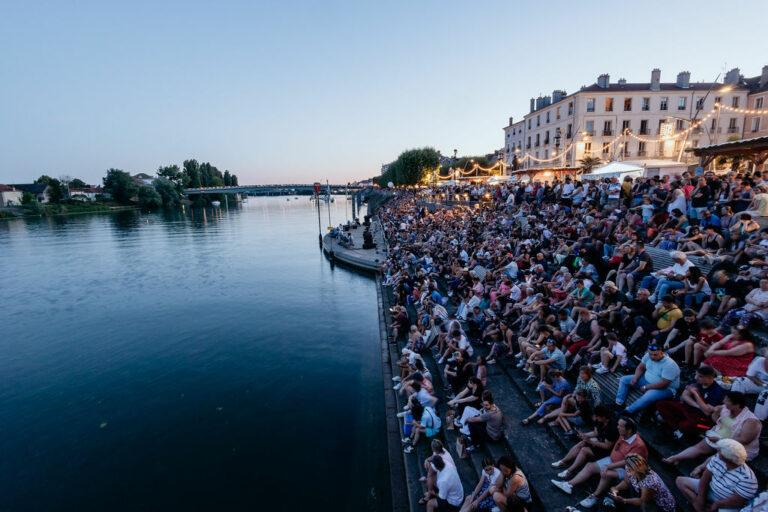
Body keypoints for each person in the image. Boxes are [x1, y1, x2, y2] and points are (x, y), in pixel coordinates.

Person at [551, 416, 648, 509]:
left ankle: (595, 496)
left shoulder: (638, 445)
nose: (617, 427)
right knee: (589, 466)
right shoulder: (624, 434)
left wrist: (609, 466)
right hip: (612, 461)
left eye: (620, 426)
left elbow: (628, 462)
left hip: (627, 471)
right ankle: (569, 485)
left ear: (629, 430)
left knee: (606, 473)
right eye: (618, 424)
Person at [662, 391, 762, 464]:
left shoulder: (751, 421)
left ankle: (700, 468)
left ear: (737, 405)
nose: (724, 402)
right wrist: (716, 413)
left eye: (727, 401)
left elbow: (743, 440)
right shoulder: (726, 408)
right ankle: (676, 457)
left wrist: (721, 440)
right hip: (719, 435)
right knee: (699, 447)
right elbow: (716, 421)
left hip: (738, 446)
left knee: (719, 455)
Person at [675, 439, 758, 512]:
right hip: (711, 490)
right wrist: (700, 498)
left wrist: (716, 505)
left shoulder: (748, 478)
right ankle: (698, 507)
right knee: (680, 481)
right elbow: (705, 477)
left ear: (728, 458)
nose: (717, 452)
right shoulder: (718, 458)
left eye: (720, 451)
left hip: (727, 502)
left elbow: (737, 501)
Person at [655, 364, 725, 439]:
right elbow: (685, 395)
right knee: (661, 404)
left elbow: (707, 412)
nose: (696, 378)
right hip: (688, 407)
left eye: (700, 376)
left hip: (700, 416)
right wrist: (699, 406)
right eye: (696, 375)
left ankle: (678, 428)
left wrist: (695, 394)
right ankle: (676, 429)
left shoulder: (717, 392)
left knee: (685, 426)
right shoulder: (696, 381)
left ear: (710, 378)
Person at [551, 404, 619, 480]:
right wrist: (584, 435)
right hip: (599, 441)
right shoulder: (599, 421)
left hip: (606, 451)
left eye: (597, 417)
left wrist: (590, 441)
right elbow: (596, 433)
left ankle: (569, 471)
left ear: (603, 417)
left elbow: (607, 446)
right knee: (582, 443)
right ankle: (563, 462)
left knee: (584, 450)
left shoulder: (612, 427)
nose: (595, 418)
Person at [615, 345, 680, 415]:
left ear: (662, 353)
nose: (652, 357)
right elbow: (641, 367)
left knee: (648, 396)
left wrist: (646, 387)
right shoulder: (648, 355)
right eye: (650, 354)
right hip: (646, 379)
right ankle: (618, 403)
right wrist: (635, 378)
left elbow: (663, 384)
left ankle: (628, 411)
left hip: (666, 388)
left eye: (655, 355)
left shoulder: (669, 365)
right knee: (624, 379)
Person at [608, 454, 676, 512]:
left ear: (638, 470)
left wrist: (623, 500)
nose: (627, 470)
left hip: (659, 505)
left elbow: (642, 501)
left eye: (630, 469)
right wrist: (616, 488)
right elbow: (626, 482)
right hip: (642, 495)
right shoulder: (629, 468)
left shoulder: (649, 483)